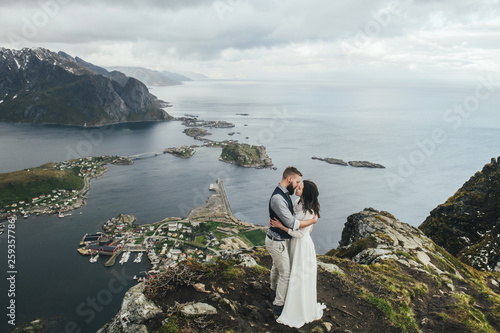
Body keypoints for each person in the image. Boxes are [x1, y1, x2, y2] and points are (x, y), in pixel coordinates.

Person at [270, 180, 326, 328]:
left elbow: (300, 234)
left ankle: (296, 307)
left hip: (302, 246)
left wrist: (282, 227)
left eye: (300, 188)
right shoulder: (297, 202)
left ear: (305, 192)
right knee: (290, 271)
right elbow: (293, 220)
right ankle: (283, 297)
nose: (296, 188)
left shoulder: (310, 212)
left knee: (298, 276)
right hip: (293, 243)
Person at [265, 167, 318, 316]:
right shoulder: (278, 198)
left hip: (283, 240)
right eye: (297, 182)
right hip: (277, 240)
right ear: (289, 179)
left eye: (299, 184)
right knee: (286, 273)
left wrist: (309, 223)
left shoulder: (285, 194)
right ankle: (278, 306)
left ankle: (273, 293)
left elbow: (297, 220)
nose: (296, 186)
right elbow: (292, 223)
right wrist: (311, 222)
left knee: (277, 267)